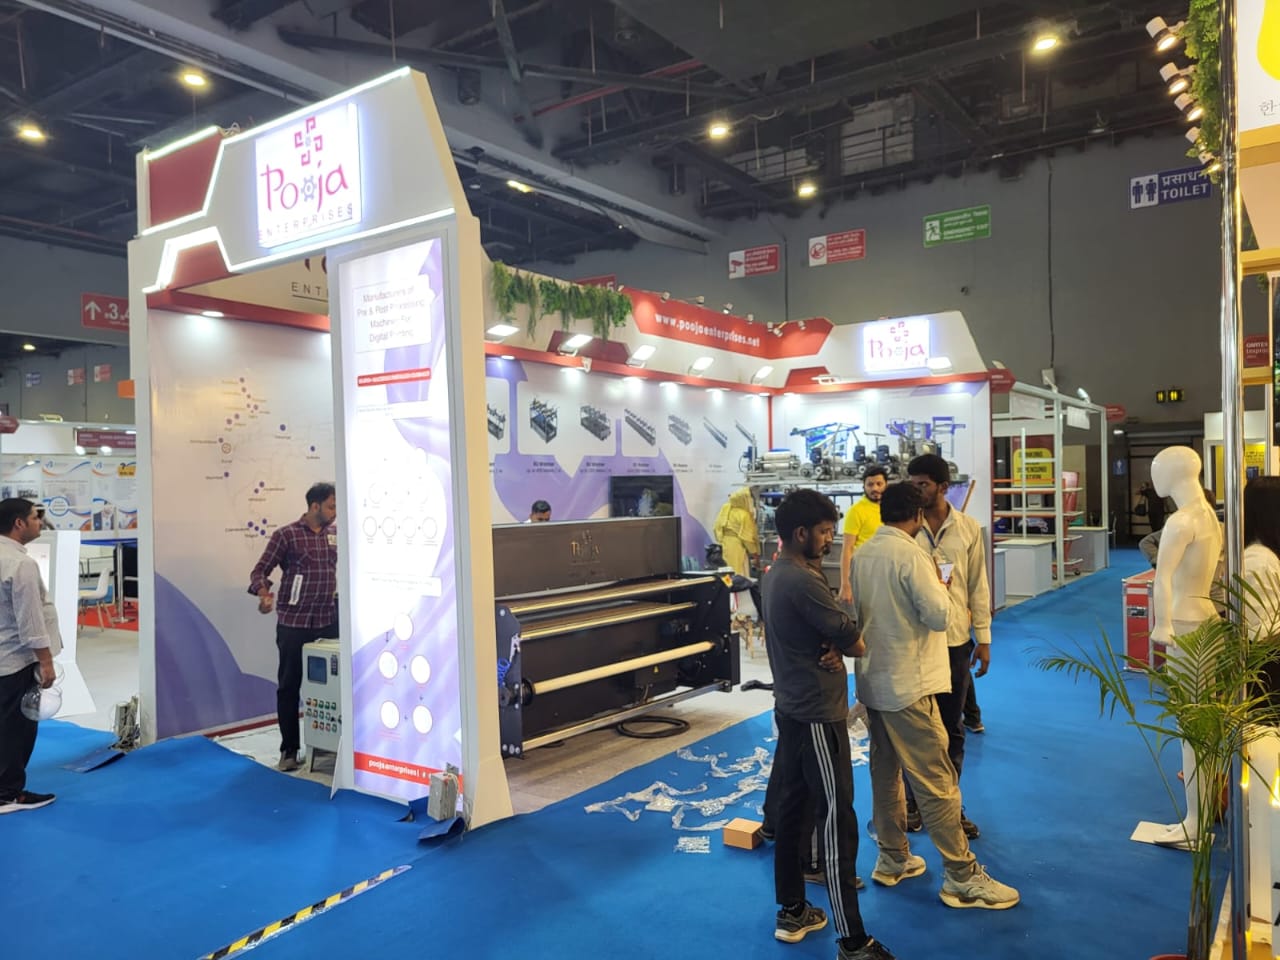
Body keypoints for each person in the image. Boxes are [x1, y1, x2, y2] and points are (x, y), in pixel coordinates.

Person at [853, 482, 1020, 911]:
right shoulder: (911, 555)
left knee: (886, 775)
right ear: (917, 515)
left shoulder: (864, 553)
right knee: (937, 781)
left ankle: (893, 857)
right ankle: (961, 876)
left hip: (875, 682)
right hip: (910, 685)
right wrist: (945, 589)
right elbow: (938, 615)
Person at [762, 489, 894, 960]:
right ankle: (852, 940)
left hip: (792, 707)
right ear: (800, 533)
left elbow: (832, 636)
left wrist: (834, 642)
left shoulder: (777, 574)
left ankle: (793, 909)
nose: (829, 540)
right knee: (837, 819)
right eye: (822, 532)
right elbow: (856, 641)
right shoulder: (803, 581)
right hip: (817, 713)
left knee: (793, 811)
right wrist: (842, 642)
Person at [904, 453, 991, 838]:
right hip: (916, 643)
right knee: (917, 728)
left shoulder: (968, 528)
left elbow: (978, 585)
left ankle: (949, 807)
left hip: (955, 641)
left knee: (952, 728)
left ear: (943, 487)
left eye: (922, 484)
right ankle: (912, 803)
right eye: (912, 484)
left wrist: (983, 638)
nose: (916, 490)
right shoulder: (905, 527)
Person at [1147, 446, 1222, 848]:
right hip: (1204, 618)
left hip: (1184, 624)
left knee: (1189, 725)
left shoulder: (1181, 520)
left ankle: (1195, 819)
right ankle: (1200, 812)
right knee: (1199, 724)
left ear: (1172, 473)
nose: (1153, 476)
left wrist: (1162, 624)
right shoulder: (1208, 515)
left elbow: (1162, 578)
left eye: (1157, 469)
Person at [249, 482, 338, 772]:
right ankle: (289, 749)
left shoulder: (336, 535)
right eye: (331, 507)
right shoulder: (286, 535)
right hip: (294, 624)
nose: (335, 513)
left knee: (334, 685)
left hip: (328, 621)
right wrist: (264, 593)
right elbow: (259, 570)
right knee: (289, 686)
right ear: (315, 506)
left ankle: (332, 745)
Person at [0, 498, 59, 814]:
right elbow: (30, 620)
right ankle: (8, 793)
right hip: (15, 660)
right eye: (36, 517)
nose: (40, 522)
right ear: (18, 523)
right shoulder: (20, 564)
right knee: (16, 729)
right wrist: (46, 661)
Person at [838, 465, 888, 605]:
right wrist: (845, 584)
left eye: (879, 484)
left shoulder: (890, 509)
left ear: (886, 484)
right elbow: (847, 548)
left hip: (886, 573)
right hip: (864, 575)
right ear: (864, 486)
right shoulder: (856, 511)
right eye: (870, 484)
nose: (875, 488)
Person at [713, 487, 760, 578]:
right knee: (738, 572)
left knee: (726, 572)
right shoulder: (744, 515)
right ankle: (736, 586)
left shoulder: (726, 509)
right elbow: (747, 539)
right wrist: (755, 553)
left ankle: (728, 586)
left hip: (725, 545)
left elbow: (716, 528)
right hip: (738, 547)